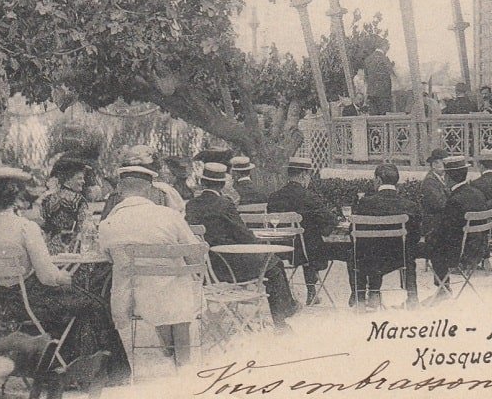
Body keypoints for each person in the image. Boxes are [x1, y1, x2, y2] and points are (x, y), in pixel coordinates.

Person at [0, 167, 121, 366]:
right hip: (31, 303)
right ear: (16, 197)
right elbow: (47, 277)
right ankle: (100, 368)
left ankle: (58, 359)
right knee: (93, 303)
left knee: (73, 300)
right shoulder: (25, 228)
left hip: (3, 303)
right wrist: (63, 277)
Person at [98, 171, 201, 368]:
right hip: (177, 301)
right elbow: (195, 255)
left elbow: (107, 258)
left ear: (119, 191)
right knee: (175, 288)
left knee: (154, 288)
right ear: (150, 190)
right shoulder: (169, 216)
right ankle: (183, 365)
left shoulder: (107, 224)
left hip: (133, 300)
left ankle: (169, 352)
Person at [184, 163, 297, 329]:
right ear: (222, 184)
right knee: (273, 264)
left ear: (203, 182)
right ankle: (282, 320)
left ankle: (288, 309)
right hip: (229, 267)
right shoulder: (224, 203)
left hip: (206, 269)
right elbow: (243, 234)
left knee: (272, 262)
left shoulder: (191, 205)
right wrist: (260, 245)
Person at [266, 157, 336, 306]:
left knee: (306, 238)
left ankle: (299, 294)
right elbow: (330, 220)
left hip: (281, 250)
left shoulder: (273, 197)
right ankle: (312, 292)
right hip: (305, 252)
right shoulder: (309, 197)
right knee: (310, 239)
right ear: (304, 175)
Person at [351, 164, 421, 309]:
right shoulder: (410, 205)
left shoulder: (365, 203)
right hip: (400, 258)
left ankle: (361, 298)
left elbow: (353, 234)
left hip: (369, 259)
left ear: (378, 180)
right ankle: (413, 298)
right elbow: (415, 237)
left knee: (357, 252)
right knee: (409, 253)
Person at [426, 156, 488, 303]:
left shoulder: (454, 200)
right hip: (479, 250)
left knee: (433, 245)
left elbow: (446, 233)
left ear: (447, 177)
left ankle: (443, 289)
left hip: (461, 255)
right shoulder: (478, 194)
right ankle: (443, 289)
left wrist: (430, 236)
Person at [40, 158, 91, 252]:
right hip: (71, 251)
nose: (83, 181)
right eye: (79, 178)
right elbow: (83, 228)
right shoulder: (79, 200)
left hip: (50, 250)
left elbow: (44, 225)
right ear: (68, 180)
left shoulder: (47, 200)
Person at [419, 148, 450, 241]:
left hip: (443, 221)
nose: (440, 165)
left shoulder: (447, 177)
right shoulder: (429, 182)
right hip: (434, 224)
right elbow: (440, 204)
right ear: (432, 165)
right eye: (436, 162)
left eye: (442, 162)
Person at [363, 40, 394, 116]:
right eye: (387, 48)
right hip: (384, 94)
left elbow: (366, 78)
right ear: (384, 46)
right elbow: (392, 74)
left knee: (374, 118)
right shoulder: (384, 59)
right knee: (384, 118)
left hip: (371, 93)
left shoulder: (367, 59)